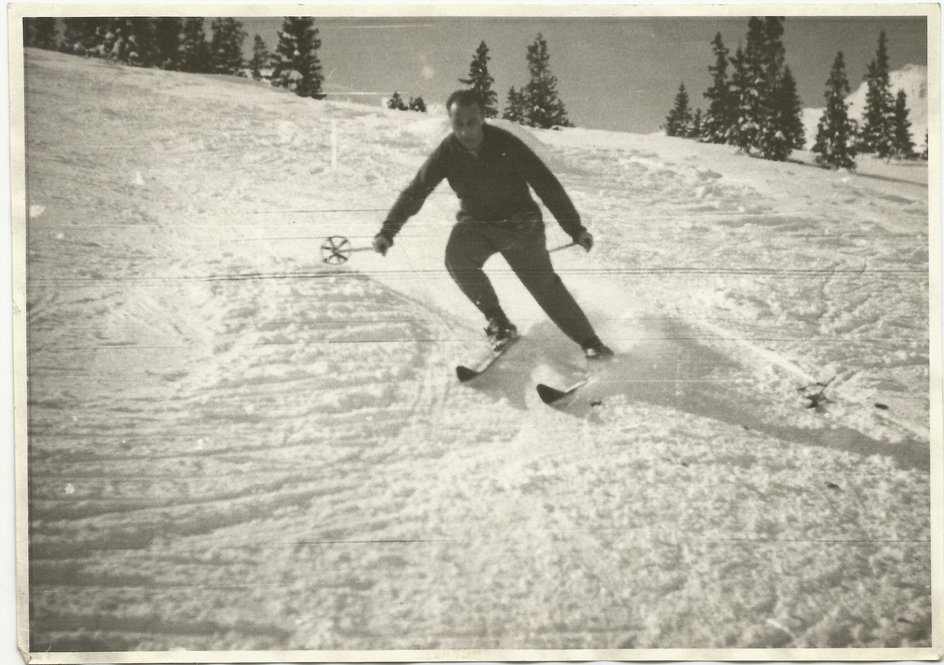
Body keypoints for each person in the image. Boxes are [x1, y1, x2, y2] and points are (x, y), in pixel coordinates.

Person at [373, 89, 614, 360]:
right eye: (458, 124)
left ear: (483, 118)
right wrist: (388, 231)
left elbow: (546, 185)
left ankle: (592, 344)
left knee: (541, 284)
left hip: (520, 224)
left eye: (471, 122)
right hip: (476, 224)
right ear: (451, 123)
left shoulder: (506, 144)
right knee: (457, 258)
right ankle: (498, 322)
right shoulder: (447, 152)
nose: (465, 132)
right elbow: (416, 191)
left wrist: (575, 228)